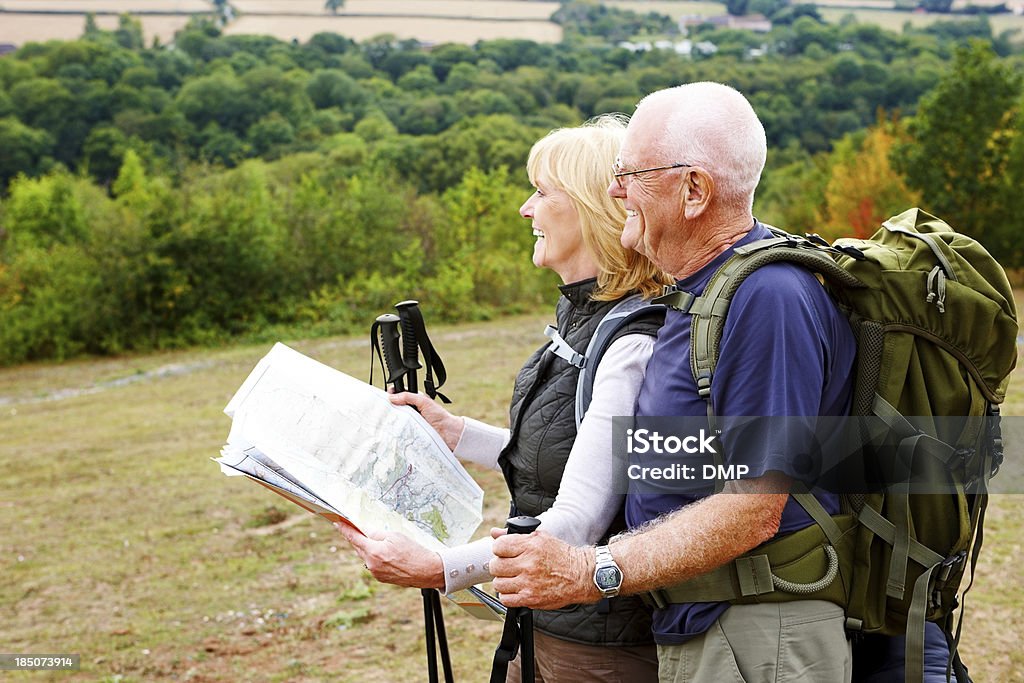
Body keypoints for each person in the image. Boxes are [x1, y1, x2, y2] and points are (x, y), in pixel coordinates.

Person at [490, 82, 961, 683]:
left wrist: (592, 571)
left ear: (693, 190)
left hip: (760, 633)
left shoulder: (767, 297)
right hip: (715, 626)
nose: (614, 191)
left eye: (630, 173)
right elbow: (681, 459)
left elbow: (754, 506)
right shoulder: (703, 295)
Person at [337, 116, 670, 681]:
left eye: (542, 192)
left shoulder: (629, 345)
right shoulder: (587, 320)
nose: (525, 208)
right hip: (550, 627)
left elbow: (577, 525)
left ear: (591, 208)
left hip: (596, 652)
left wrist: (440, 567)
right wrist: (454, 432)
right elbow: (566, 455)